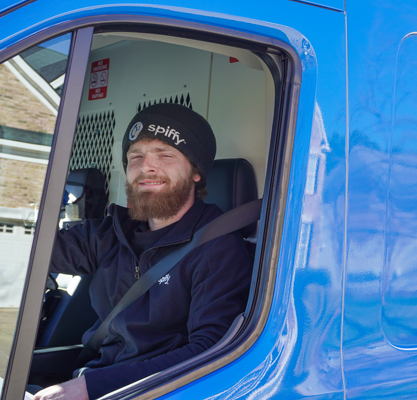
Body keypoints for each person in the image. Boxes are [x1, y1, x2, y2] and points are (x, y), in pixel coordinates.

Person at [33, 103, 252, 400]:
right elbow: (30, 254)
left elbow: (210, 351)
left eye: (165, 154)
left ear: (196, 171)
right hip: (94, 379)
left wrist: (91, 388)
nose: (146, 166)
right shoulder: (111, 233)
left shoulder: (218, 248)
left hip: (158, 391)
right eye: (136, 156)